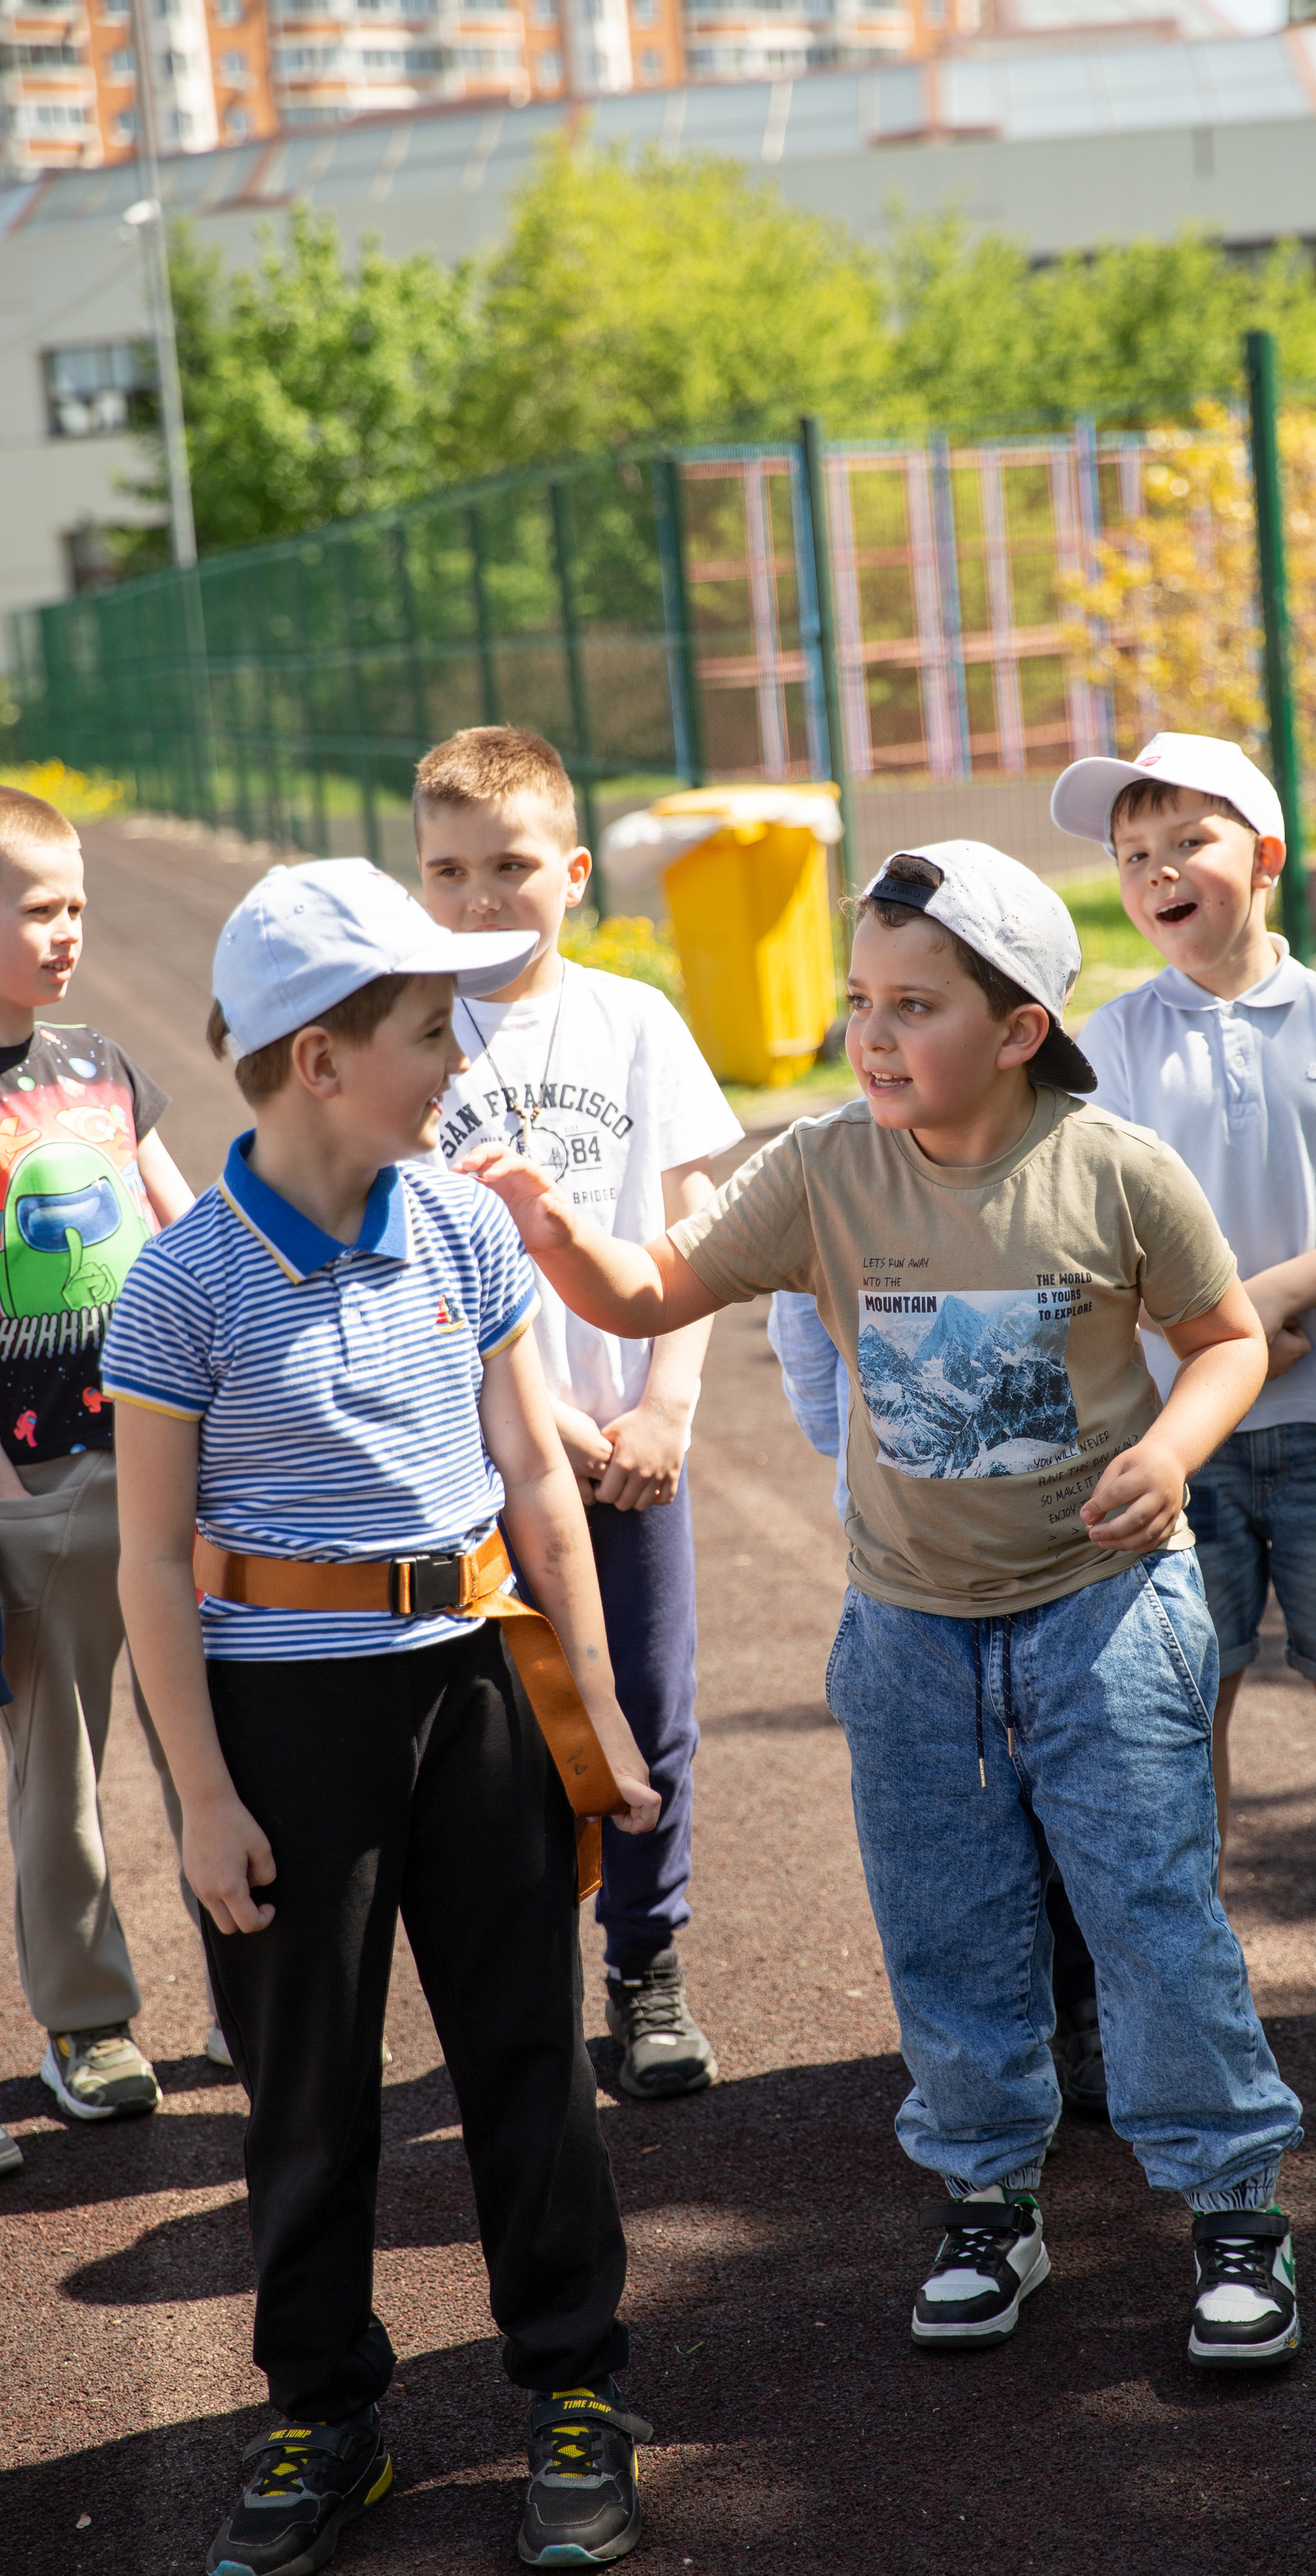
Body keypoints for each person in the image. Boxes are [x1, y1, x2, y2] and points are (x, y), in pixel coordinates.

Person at [463, 839, 1309, 2373]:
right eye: (860, 1001)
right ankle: (988, 2194)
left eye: (911, 1006)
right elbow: (646, 1289)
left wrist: (1174, 1449)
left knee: (1149, 1920)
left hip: (1102, 1611)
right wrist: (547, 1224)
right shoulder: (819, 1167)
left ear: (1016, 1030)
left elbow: (1227, 1335)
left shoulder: (1113, 1172)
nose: (870, 1035)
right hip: (912, 1629)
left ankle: (1232, 2207)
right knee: (944, 1924)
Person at [103, 859, 660, 2574]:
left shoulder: (468, 1221)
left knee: (526, 2058)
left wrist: (604, 1704)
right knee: (307, 2088)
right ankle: (325, 2417)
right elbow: (144, 1560)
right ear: (317, 1058)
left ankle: (573, 2388)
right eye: (430, 1030)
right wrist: (200, 1797)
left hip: (479, 1684)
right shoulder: (182, 1281)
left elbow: (536, 1478)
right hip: (284, 1716)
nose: (458, 1056)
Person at [1048, 731, 1316, 2063]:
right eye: (1131, 855)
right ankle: (1194, 1962)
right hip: (1181, 1447)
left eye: (1184, 840)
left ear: (1263, 856)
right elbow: (1087, 1245)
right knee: (1188, 1703)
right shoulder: (1107, 1043)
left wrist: (1266, 1300)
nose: (1155, 871)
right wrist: (1209, 1341)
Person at [415, 725, 743, 2101]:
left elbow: (698, 1231)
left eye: (511, 866)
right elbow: (420, 1258)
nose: (482, 898)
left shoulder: (633, 1022)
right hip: (481, 1458)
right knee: (499, 1731)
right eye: (449, 871)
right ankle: (525, 1988)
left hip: (631, 1460)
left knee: (649, 1715)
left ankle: (644, 1967)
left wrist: (665, 1404)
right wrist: (542, 1416)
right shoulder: (408, 1034)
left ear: (575, 870)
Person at [764, 1293, 1108, 2118]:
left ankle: (1086, 2007)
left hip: (1075, 1540)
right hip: (916, 1568)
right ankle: (1006, 2077)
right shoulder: (834, 1172)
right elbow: (805, 1338)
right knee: (963, 1834)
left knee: (1089, 1807)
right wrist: (865, 1464)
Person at [0, 782, 197, 2180]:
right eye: (35, 908)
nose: (65, 931)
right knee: (58, 1771)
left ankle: (262, 1978)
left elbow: (184, 1226)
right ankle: (89, 2022)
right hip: (36, 1494)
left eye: (75, 903)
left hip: (166, 1462)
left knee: (222, 1738)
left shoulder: (104, 1067)